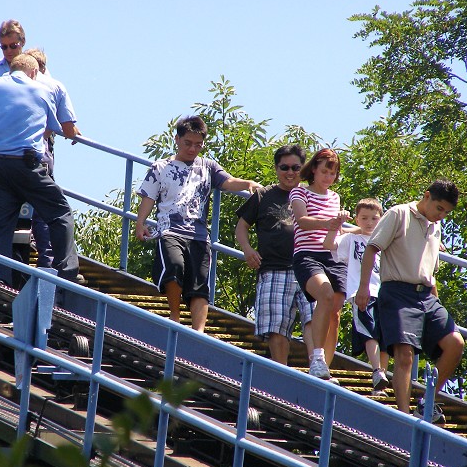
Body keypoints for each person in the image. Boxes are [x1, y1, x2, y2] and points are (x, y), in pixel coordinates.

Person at [0, 54, 83, 286]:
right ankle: (67, 272)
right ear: (34, 73)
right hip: (27, 167)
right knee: (60, 212)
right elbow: (56, 127)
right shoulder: (43, 91)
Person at [135, 115, 261, 332]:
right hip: (169, 230)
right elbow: (148, 198)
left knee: (199, 284)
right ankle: (175, 316)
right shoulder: (160, 167)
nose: (193, 149)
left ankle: (199, 333)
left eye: (198, 144)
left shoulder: (208, 166)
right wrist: (140, 223)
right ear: (177, 139)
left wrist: (247, 183)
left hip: (199, 235)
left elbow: (228, 182)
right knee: (174, 267)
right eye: (188, 143)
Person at [355, 180, 465, 423]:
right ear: (426, 196)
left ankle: (427, 400)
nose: (441, 215)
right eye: (439, 208)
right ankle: (404, 417)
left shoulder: (435, 226)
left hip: (426, 295)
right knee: (404, 355)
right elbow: (372, 249)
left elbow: (430, 269)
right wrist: (364, 287)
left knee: (455, 343)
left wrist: (436, 303)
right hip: (397, 292)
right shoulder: (399, 213)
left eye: (446, 212)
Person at [234, 144, 315, 365]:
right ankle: (281, 373)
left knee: (315, 321)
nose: (290, 172)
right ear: (276, 168)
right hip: (274, 269)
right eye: (284, 167)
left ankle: (318, 368)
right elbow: (241, 227)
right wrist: (248, 250)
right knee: (277, 327)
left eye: (296, 167)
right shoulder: (263, 195)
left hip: (310, 268)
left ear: (304, 168)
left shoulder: (313, 194)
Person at [290, 148, 349, 381]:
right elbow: (302, 221)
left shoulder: (335, 198)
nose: (328, 177)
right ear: (313, 169)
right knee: (324, 294)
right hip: (308, 256)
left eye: (332, 173)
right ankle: (316, 358)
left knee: (335, 312)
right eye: (324, 171)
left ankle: (325, 368)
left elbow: (338, 229)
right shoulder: (300, 192)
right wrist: (329, 222)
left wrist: (370, 233)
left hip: (333, 257)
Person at [324, 197, 389, 395]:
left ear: (381, 219)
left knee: (385, 339)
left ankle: (381, 379)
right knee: (369, 332)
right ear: (357, 219)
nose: (369, 223)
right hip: (361, 293)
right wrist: (337, 225)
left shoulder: (386, 240)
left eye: (374, 218)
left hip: (386, 292)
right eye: (364, 218)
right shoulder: (352, 239)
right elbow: (329, 245)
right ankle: (377, 370)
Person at [23, 48, 81, 269]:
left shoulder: (11, 83)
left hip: (9, 154)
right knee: (48, 210)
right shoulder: (53, 86)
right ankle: (50, 263)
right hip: (40, 153)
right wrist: (75, 131)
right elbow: (67, 128)